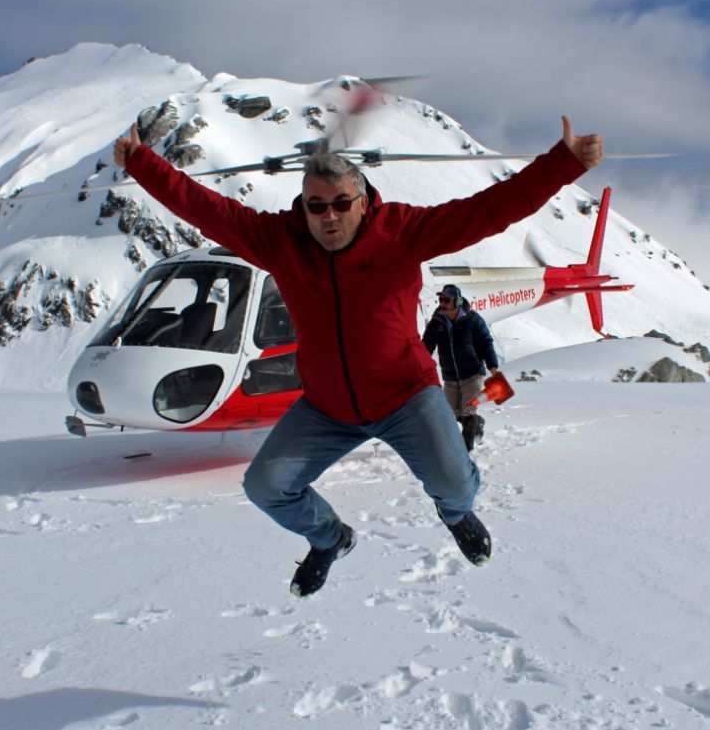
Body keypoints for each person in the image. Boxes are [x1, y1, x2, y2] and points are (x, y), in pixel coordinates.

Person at [113, 117, 602, 596]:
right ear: (302, 208)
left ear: (362, 202)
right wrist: (141, 162)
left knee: (456, 486)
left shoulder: (402, 232)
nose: (328, 216)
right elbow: (207, 208)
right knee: (265, 486)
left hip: (406, 397)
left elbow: (486, 211)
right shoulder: (280, 241)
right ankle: (330, 539)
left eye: (340, 204)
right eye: (316, 206)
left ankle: (456, 515)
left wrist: (561, 165)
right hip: (326, 408)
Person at [422, 284, 498, 452]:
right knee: (452, 414)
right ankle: (478, 422)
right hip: (450, 376)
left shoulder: (472, 319)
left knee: (467, 412)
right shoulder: (437, 322)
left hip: (472, 374)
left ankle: (465, 451)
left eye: (446, 299)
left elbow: (486, 342)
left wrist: (492, 365)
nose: (442, 303)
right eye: (440, 299)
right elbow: (426, 346)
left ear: (456, 301)